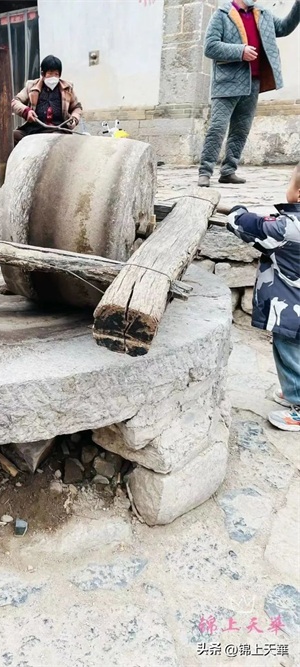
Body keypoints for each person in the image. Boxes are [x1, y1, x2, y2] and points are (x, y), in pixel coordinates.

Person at [227, 163, 300, 431]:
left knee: (289, 352)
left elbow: (245, 225)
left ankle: (299, 404)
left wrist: (238, 210)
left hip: (293, 313)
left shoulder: (288, 228)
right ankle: (294, 390)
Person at [198, 0, 300, 188]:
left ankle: (228, 171)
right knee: (217, 128)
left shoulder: (263, 14)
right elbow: (210, 47)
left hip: (253, 82)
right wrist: (240, 51)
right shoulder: (222, 14)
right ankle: (205, 172)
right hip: (226, 83)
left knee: (241, 130)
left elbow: (284, 28)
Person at [11, 55, 83, 146]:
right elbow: (15, 101)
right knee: (12, 136)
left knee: (53, 141)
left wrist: (74, 118)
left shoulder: (67, 89)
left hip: (58, 131)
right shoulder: (31, 86)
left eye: (56, 74)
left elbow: (77, 107)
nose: (53, 77)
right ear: (43, 74)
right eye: (50, 73)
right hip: (34, 130)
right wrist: (26, 111)